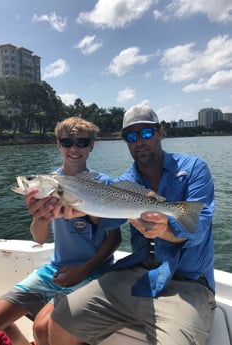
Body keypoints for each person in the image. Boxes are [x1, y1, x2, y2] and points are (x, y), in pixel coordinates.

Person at [47, 104, 216, 345]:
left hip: (187, 285)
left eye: (146, 133)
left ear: (160, 132)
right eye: (131, 136)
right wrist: (81, 211)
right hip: (136, 276)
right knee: (61, 317)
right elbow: (108, 218)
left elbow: (198, 226)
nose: (139, 141)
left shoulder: (193, 168)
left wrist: (166, 230)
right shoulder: (124, 182)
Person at [0, 117, 121, 345]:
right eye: (67, 142)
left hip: (95, 271)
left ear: (91, 146)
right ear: (58, 145)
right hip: (54, 270)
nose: (74, 148)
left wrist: (83, 270)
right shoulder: (46, 183)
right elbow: (40, 238)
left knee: (41, 327)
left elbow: (115, 238)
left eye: (82, 142)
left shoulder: (103, 183)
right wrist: (39, 217)